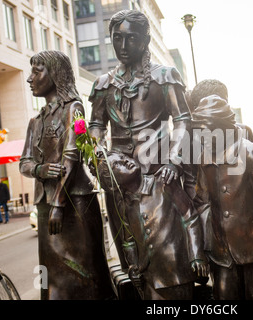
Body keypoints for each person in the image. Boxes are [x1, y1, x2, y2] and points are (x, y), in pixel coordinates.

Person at [88, 10, 192, 273]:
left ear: (145, 40)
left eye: (131, 39)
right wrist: (97, 156)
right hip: (119, 183)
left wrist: (174, 161)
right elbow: (97, 126)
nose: (123, 46)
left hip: (158, 180)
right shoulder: (103, 85)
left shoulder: (164, 76)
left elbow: (182, 120)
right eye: (117, 38)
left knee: (166, 258)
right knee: (130, 263)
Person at [19, 50, 116, 300]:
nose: (30, 79)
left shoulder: (75, 108)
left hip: (75, 203)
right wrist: (39, 169)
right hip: (46, 205)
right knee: (51, 276)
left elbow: (73, 155)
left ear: (56, 74)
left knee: (88, 274)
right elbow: (24, 163)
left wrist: (58, 205)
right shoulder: (35, 121)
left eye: (37, 71)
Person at [193, 95, 253, 300]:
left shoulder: (249, 152)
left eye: (206, 130)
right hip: (221, 247)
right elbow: (202, 202)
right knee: (224, 295)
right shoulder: (203, 157)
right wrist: (202, 246)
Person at [95, 151, 208, 300]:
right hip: (149, 277)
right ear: (111, 181)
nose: (126, 161)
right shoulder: (124, 204)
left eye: (124, 157)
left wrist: (196, 254)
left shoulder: (163, 182)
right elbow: (128, 241)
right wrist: (134, 267)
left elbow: (189, 216)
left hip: (176, 272)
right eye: (117, 164)